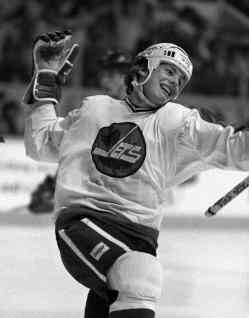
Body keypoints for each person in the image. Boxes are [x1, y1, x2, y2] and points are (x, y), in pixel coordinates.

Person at [23, 31, 249, 318]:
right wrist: (45, 75)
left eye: (181, 80)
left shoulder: (177, 122)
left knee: (130, 279)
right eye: (169, 71)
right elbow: (41, 144)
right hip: (83, 222)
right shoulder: (94, 109)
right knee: (139, 275)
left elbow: (233, 147)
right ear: (144, 68)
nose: (174, 83)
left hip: (139, 239)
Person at [27, 49, 131, 214]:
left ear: (126, 77)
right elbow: (75, 150)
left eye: (111, 75)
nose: (104, 80)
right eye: (103, 74)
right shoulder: (96, 109)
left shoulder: (144, 113)